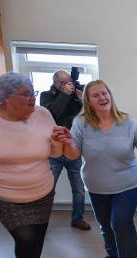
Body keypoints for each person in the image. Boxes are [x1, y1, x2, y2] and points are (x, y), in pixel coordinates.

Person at [54, 80, 137, 258]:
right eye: (96, 95)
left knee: (121, 221)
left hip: (128, 183)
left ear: (110, 95)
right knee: (105, 224)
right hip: (97, 185)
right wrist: (68, 143)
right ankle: (112, 257)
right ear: (88, 100)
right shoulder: (81, 123)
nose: (102, 98)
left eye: (105, 93)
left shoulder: (127, 121)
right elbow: (73, 155)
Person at [0, 72, 73, 258]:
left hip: (42, 191)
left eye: (33, 92)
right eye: (26, 94)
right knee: (26, 239)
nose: (33, 98)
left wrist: (59, 141)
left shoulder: (43, 114)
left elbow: (55, 153)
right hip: (2, 194)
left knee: (37, 238)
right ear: (5, 98)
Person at [40, 70, 90, 231]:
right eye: (64, 82)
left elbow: (86, 117)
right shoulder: (46, 95)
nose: (69, 85)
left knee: (79, 189)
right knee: (48, 189)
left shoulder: (76, 96)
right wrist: (65, 95)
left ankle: (78, 218)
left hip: (73, 149)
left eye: (70, 81)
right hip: (53, 151)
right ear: (55, 83)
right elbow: (52, 115)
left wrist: (83, 100)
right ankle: (40, 221)